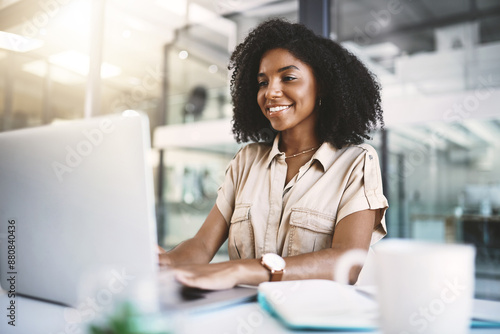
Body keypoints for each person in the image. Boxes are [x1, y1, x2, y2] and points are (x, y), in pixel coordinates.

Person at [158, 18, 388, 290]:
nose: (271, 92)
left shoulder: (356, 162)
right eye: (262, 82)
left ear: (322, 85)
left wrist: (241, 270)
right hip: (247, 315)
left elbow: (346, 264)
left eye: (288, 78)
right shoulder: (247, 161)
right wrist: (165, 261)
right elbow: (203, 244)